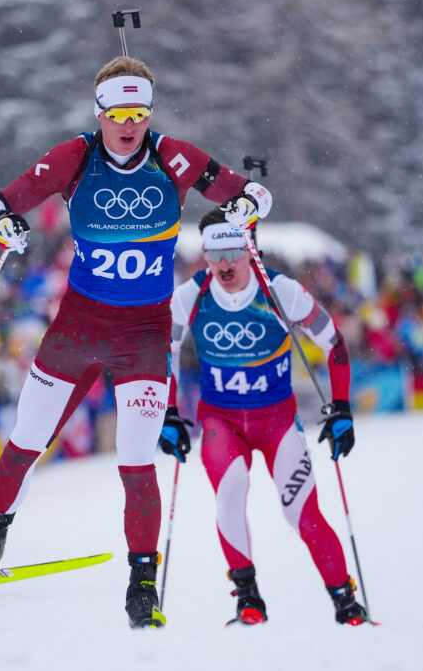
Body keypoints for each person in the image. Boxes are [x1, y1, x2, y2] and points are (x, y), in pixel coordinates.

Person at [0, 55, 273, 629]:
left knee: (137, 461)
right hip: (79, 328)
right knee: (26, 439)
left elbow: (254, 195)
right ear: (101, 112)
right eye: (119, 112)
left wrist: (242, 207)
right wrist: (5, 224)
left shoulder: (173, 157)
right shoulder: (76, 156)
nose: (130, 123)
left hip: (142, 333)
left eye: (140, 111)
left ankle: (142, 583)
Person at [158, 209, 369, 626]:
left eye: (233, 251)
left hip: (277, 422)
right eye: (214, 253)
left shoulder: (279, 290)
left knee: (301, 512)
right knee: (230, 488)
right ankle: (249, 598)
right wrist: (168, 413)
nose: (223, 264)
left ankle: (345, 602)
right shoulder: (191, 295)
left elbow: (335, 343)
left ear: (248, 248)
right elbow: (164, 351)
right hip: (222, 423)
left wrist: (341, 407)